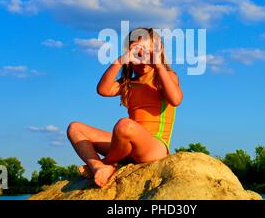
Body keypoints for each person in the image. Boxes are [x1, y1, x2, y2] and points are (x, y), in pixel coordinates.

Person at [67, 28, 183, 187]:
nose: (142, 60)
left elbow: (175, 100)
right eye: (137, 54)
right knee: (75, 128)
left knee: (124, 125)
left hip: (153, 147)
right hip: (125, 147)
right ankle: (98, 166)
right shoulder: (128, 83)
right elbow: (103, 90)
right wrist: (119, 61)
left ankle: (107, 162)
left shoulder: (165, 77)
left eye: (147, 53)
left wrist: (159, 66)